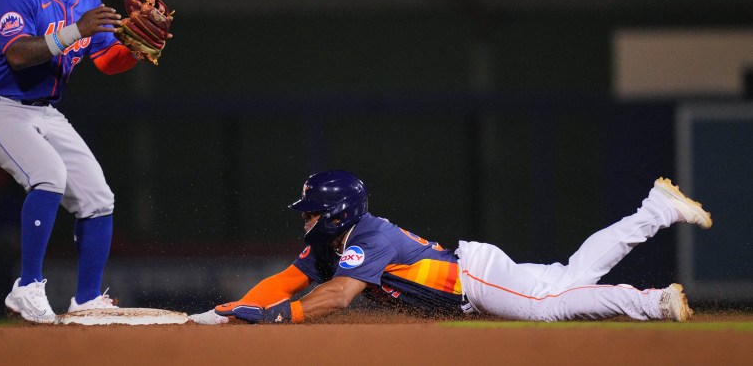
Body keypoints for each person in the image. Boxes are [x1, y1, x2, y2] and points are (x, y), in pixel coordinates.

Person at [189, 170, 712, 325]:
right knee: (571, 274)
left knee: (551, 308)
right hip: (473, 273)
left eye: (311, 210)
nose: (305, 218)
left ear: (337, 213)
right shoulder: (330, 239)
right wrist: (237, 309)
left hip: (471, 280)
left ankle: (651, 303)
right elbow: (287, 281)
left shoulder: (367, 236)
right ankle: (658, 209)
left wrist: (285, 317)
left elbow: (341, 296)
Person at [0, 0, 145, 323]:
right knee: (48, 176)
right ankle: (26, 288)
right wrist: (76, 30)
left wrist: (135, 48)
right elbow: (17, 55)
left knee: (98, 197)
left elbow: (105, 60)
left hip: (44, 112)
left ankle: (86, 301)